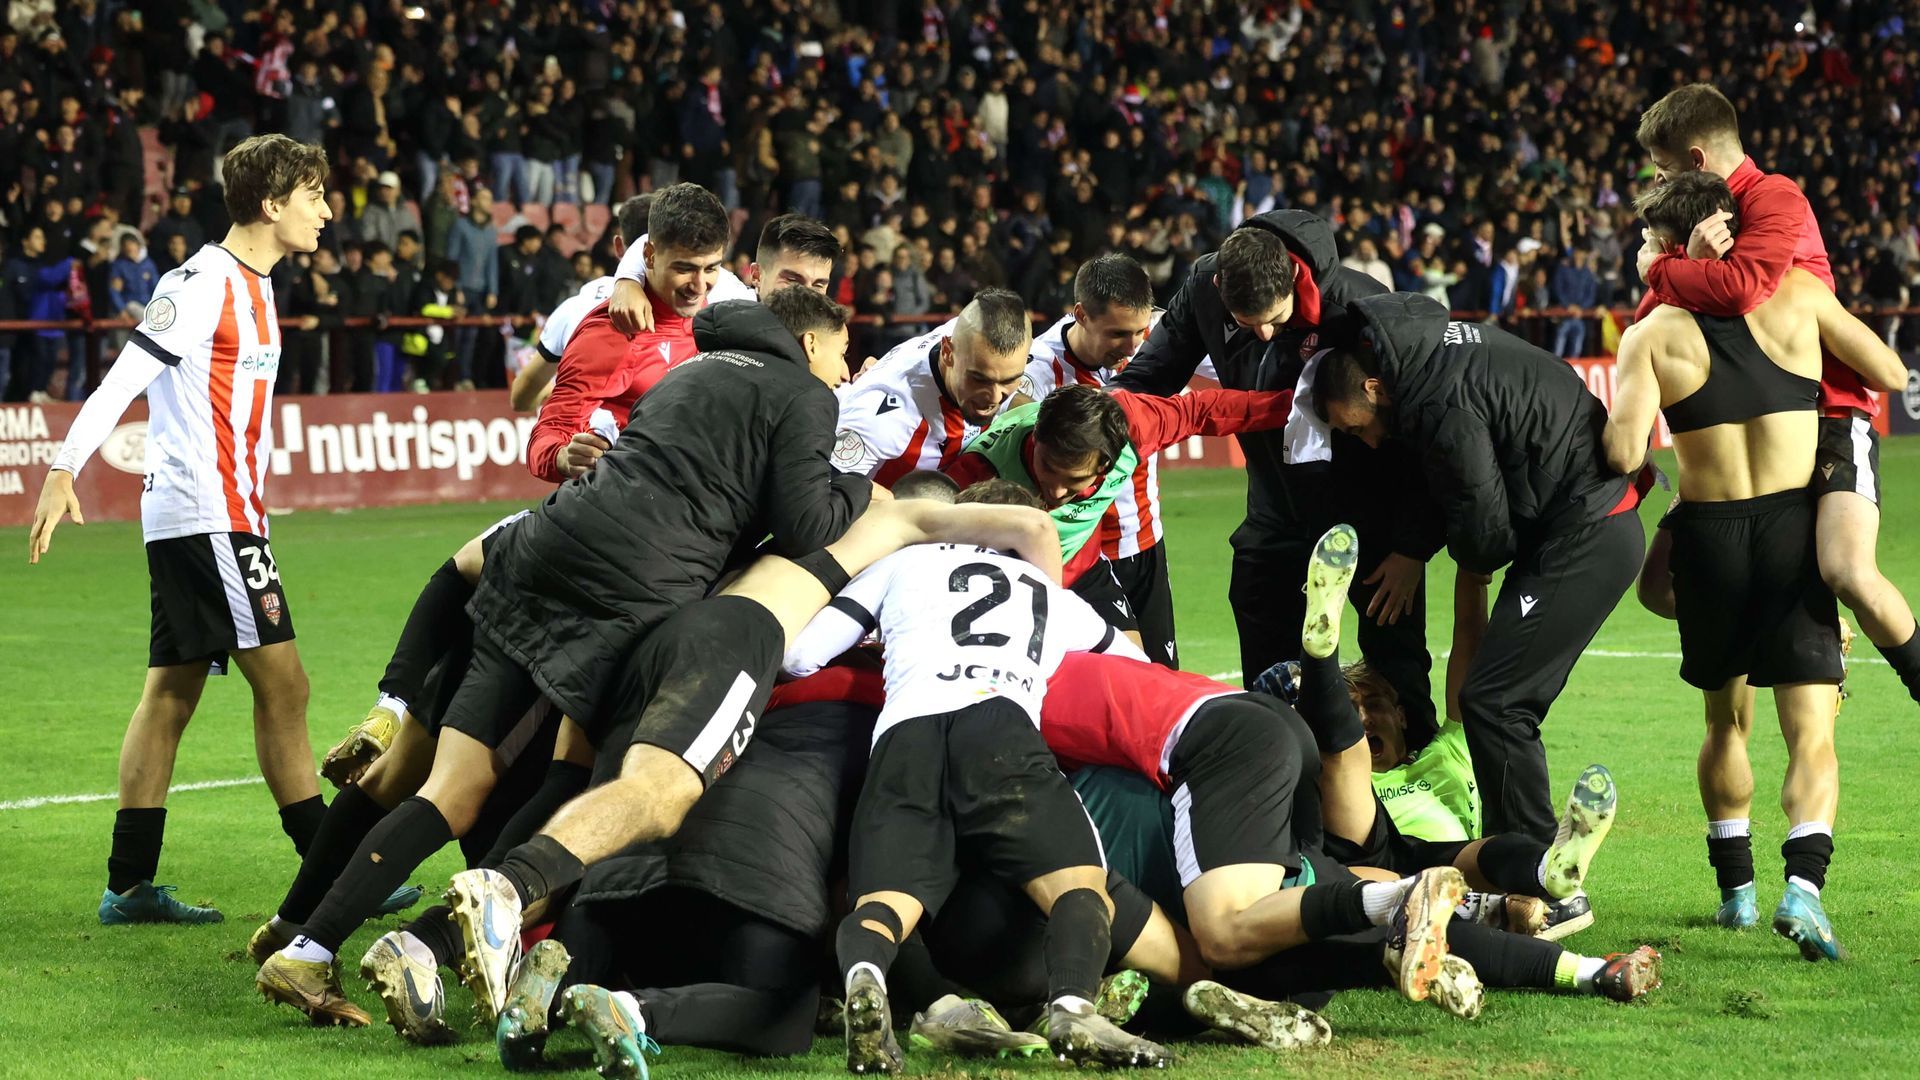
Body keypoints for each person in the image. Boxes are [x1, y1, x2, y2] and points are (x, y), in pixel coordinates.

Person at [254, 287, 873, 1024]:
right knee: (576, 777)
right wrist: (856, 490)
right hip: (622, 597)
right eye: (840, 350)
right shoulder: (804, 394)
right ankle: (468, 922)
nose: (845, 367)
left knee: (446, 789)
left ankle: (305, 949)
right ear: (809, 345)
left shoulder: (692, 366)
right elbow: (803, 523)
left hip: (539, 555)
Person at [438, 479, 1068, 1049]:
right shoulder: (909, 682)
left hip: (646, 814)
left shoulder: (775, 596)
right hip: (759, 853)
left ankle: (548, 985)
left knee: (613, 913)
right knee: (783, 1012)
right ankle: (637, 1012)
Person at [28, 134, 335, 925]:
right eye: (313, 196)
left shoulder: (259, 285)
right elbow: (121, 379)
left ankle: (128, 885)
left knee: (170, 692)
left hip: (211, 516)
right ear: (272, 204)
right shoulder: (200, 285)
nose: (327, 211)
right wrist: (63, 468)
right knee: (287, 686)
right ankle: (333, 872)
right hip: (212, 518)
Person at [1604, 171, 1906, 962]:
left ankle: (1735, 893)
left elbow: (1621, 451)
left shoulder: (1649, 335)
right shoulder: (1801, 295)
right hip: (1790, 526)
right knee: (1811, 734)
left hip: (1707, 533)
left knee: (1723, 722)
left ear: (1669, 248)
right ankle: (1802, 889)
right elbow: (1890, 374)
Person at [781, 479, 1171, 1071]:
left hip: (902, 735)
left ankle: (866, 978)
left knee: (887, 902)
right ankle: (1071, 1007)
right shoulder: (1047, 591)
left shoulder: (902, 565)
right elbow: (1136, 668)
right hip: (1001, 727)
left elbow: (798, 656)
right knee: (1079, 886)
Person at [1313, 291, 1648, 935]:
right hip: (1586, 522)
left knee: (1495, 700)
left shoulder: (1437, 405)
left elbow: (1484, 527)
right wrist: (1417, 548)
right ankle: (1525, 872)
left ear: (1377, 387)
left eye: (1357, 425)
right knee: (1496, 699)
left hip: (1587, 531)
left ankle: (1542, 882)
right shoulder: (1439, 358)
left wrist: (1459, 560)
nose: (1367, 441)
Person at [1631, 83, 1920, 711]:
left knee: (1846, 569)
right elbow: (1660, 319)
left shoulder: (1774, 197)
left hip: (1830, 410)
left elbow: (1740, 289)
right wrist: (1677, 267)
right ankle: (1810, 633)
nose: (1659, 184)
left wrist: (1658, 267)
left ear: (1697, 162)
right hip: (1754, 417)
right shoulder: (1699, 224)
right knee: (1658, 587)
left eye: (1664, 169)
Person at [1112, 211, 1441, 750]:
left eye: (1275, 319)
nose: (1264, 334)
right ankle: (1283, 804)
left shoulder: (1361, 307)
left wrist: (1411, 547)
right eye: (1246, 322)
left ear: (1293, 278)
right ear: (1221, 288)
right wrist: (1103, 422)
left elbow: (1417, 435)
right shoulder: (1202, 285)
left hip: (1370, 518)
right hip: (1274, 511)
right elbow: (1149, 379)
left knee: (1397, 670)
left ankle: (1426, 800)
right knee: (1268, 676)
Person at [946, 383, 1295, 657]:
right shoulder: (977, 474)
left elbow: (1203, 411)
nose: (1054, 491)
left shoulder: (1133, 426)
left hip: (1081, 567)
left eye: (1073, 483)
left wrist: (1298, 405)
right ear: (1037, 438)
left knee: (1135, 667)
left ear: (1106, 464)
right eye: (1048, 468)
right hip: (1011, 581)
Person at [1015, 255, 1179, 664]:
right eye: (1119, 334)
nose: (1133, 346)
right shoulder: (1035, 374)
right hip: (1079, 556)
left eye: (1141, 331)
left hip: (1144, 543)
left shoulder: (1158, 341)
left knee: (1162, 678)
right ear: (1081, 315)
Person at [830, 288, 1032, 482]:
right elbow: (823, 494)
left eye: (1009, 380)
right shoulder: (887, 417)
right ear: (947, 353)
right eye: (979, 379)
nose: (995, 397)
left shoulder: (969, 335)